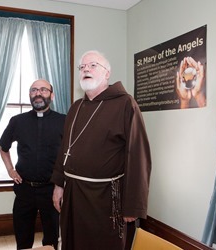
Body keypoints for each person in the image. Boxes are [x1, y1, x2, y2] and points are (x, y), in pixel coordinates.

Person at [51, 50, 152, 249]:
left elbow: (138, 156)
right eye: (82, 67)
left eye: (93, 65)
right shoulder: (76, 107)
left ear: (107, 73)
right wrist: (58, 184)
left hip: (105, 196)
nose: (86, 69)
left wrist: (133, 205)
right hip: (73, 192)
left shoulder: (125, 104)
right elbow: (65, 149)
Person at [0, 79, 66, 250]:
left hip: (51, 190)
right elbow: (3, 146)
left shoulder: (64, 121)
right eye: (34, 90)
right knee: (23, 239)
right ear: (30, 95)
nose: (38, 93)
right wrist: (10, 170)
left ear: (52, 95)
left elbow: (70, 154)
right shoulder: (17, 121)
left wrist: (62, 184)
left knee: (51, 240)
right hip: (24, 190)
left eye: (43, 90)